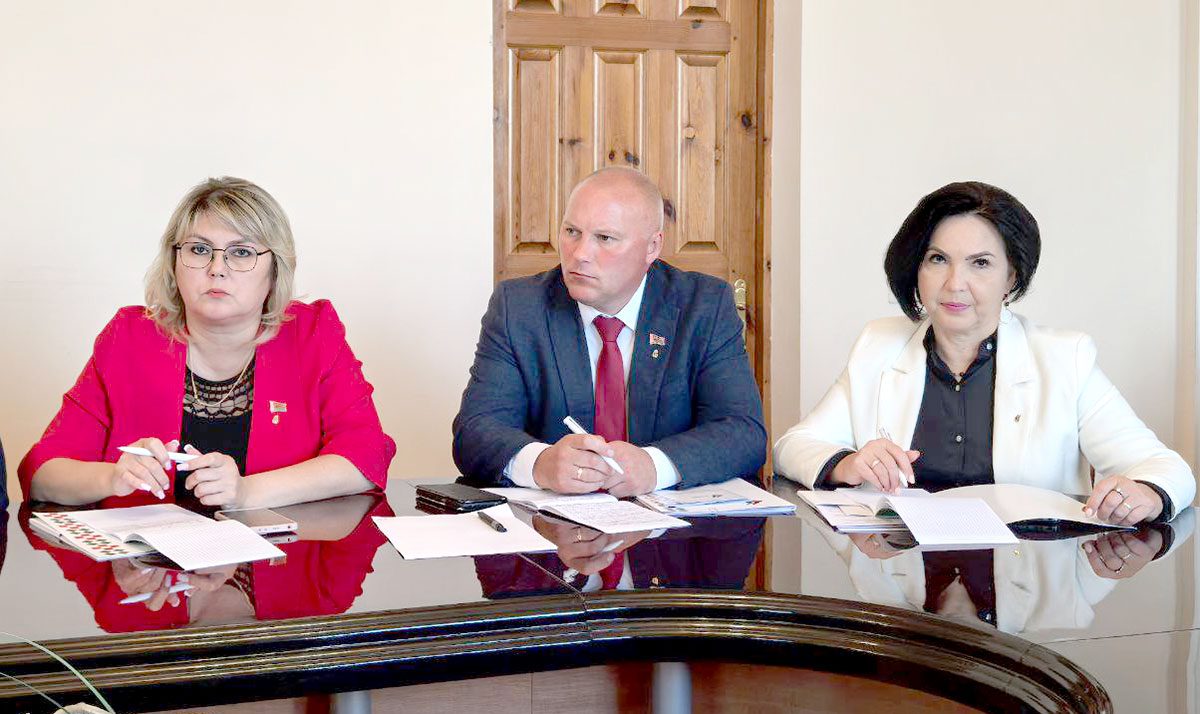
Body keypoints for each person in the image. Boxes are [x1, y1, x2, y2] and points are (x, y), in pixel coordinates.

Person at [773, 181, 1195, 524]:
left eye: (980, 263)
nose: (954, 283)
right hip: (903, 572)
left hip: (1027, 570)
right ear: (916, 268)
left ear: (1011, 277)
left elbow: (1166, 468)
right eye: (938, 259)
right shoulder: (878, 345)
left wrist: (1146, 493)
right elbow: (792, 447)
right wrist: (847, 464)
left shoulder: (1065, 358)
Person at [19, 177, 395, 509]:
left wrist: (246, 492)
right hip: (151, 565)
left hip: (281, 560)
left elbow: (366, 456)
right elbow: (42, 474)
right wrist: (113, 478)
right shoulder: (128, 338)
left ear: (275, 270)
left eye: (241, 252)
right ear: (174, 263)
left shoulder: (312, 334)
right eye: (199, 250)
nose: (217, 268)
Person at [453, 167, 765, 496]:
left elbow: (743, 432)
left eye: (604, 238)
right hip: (554, 522)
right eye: (571, 231)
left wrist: (654, 466)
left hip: (671, 525)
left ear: (652, 247)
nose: (580, 254)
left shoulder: (704, 306)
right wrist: (540, 463)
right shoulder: (519, 307)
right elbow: (474, 431)